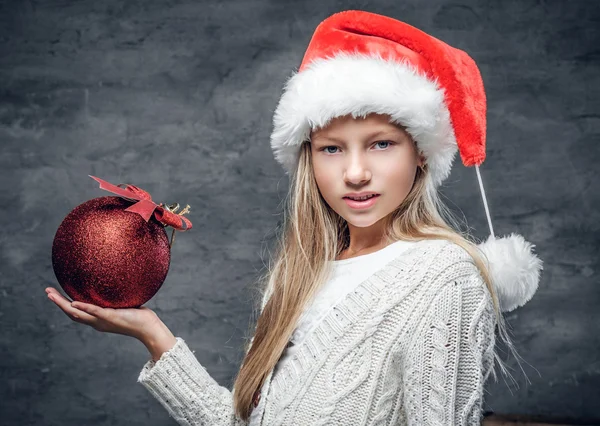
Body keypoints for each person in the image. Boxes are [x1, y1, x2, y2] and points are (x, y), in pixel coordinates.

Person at [46, 10, 543, 426]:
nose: (354, 172)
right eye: (331, 149)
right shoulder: (298, 275)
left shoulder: (444, 276)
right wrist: (153, 334)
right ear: (309, 160)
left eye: (381, 144)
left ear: (421, 155)